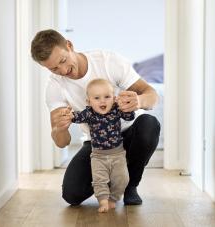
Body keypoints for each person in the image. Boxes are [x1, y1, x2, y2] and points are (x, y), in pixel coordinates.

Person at [30, 29, 160, 206]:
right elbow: (62, 142)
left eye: (63, 60)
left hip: (131, 131)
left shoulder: (108, 61)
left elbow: (152, 95)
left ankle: (130, 186)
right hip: (98, 144)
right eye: (54, 68)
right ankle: (109, 177)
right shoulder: (55, 87)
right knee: (71, 195)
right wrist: (59, 128)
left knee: (149, 124)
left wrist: (139, 100)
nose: (63, 70)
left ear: (69, 45)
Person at [66, 78, 134, 212]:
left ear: (114, 98)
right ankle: (103, 201)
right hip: (98, 156)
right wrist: (69, 114)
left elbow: (129, 117)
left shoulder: (116, 110)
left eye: (107, 97)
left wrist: (124, 106)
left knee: (122, 179)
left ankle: (113, 198)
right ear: (88, 101)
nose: (102, 101)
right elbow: (76, 117)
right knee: (99, 180)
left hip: (118, 154)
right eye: (97, 98)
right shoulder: (89, 113)